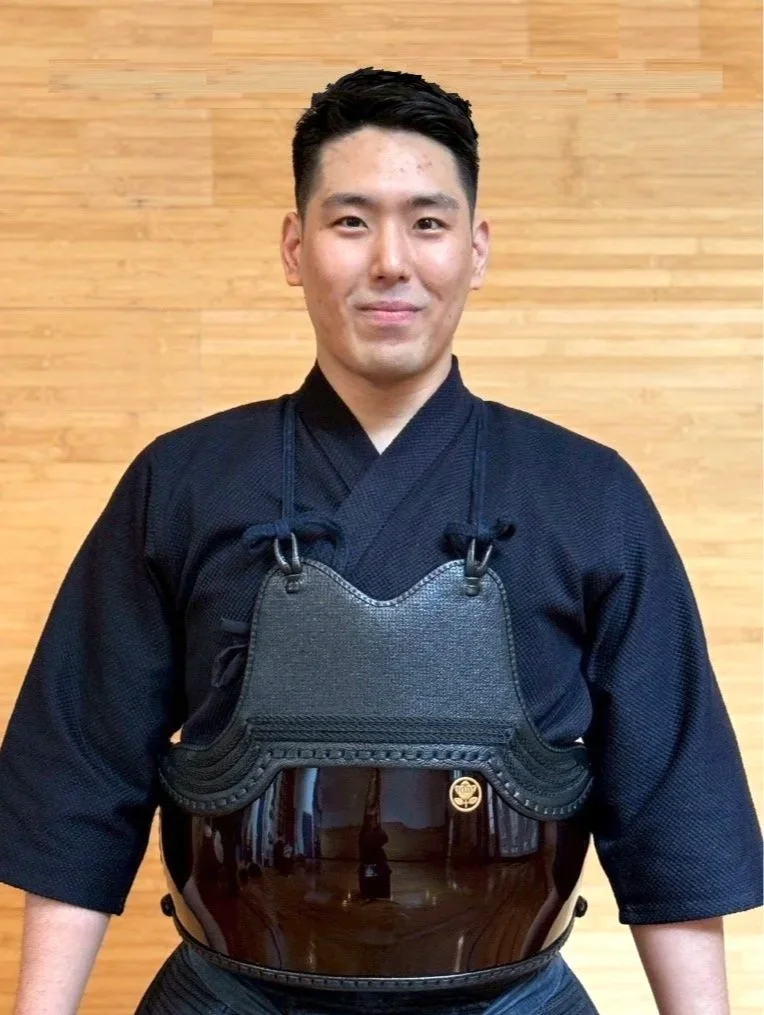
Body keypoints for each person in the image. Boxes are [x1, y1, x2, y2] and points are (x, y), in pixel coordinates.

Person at [0, 66, 761, 1015]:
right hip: (232, 997)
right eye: (352, 221)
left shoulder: (586, 492)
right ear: (296, 247)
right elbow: (80, 777)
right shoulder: (184, 481)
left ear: (476, 250)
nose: (391, 261)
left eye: (428, 223)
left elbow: (674, 808)